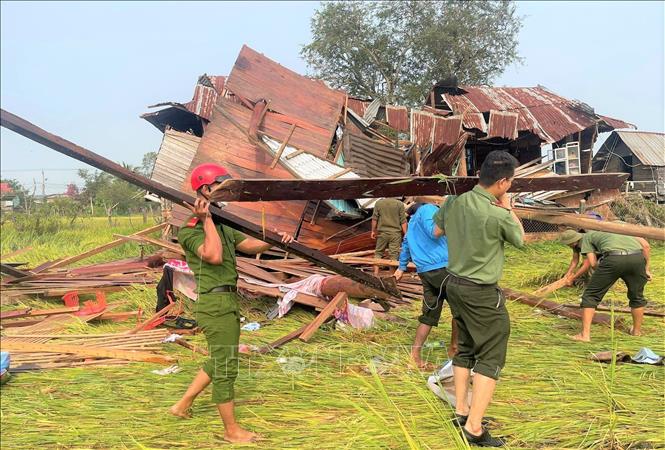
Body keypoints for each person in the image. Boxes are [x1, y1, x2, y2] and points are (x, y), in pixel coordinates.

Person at [169, 163, 294, 443]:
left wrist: (274, 241)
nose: (226, 193)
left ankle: (182, 405)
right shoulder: (190, 229)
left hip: (226, 300)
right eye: (220, 187)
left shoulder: (222, 223)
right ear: (205, 190)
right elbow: (213, 256)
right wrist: (206, 219)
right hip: (214, 303)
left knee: (220, 359)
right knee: (226, 366)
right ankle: (231, 431)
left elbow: (247, 246)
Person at [432, 150, 524, 447]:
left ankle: (461, 410)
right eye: (510, 183)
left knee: (466, 348)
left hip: (454, 284)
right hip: (481, 292)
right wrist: (508, 207)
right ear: (503, 182)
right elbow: (520, 239)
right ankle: (473, 428)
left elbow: (437, 230)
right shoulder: (497, 213)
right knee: (492, 355)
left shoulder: (453, 202)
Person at [392, 202, 458, 369]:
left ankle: (414, 356)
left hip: (426, 273)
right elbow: (434, 232)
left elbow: (405, 247)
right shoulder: (427, 209)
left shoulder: (412, 226)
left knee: (428, 314)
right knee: (461, 310)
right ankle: (454, 350)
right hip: (443, 269)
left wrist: (401, 268)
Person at [557, 229, 651, 342]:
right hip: (637, 258)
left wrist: (606, 273)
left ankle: (584, 335)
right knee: (637, 296)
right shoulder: (619, 231)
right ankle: (636, 332)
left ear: (573, 241)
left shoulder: (586, 238)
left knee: (590, 296)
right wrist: (646, 269)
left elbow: (591, 263)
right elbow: (645, 246)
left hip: (613, 259)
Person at [371, 197, 407, 276]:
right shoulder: (399, 204)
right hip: (395, 234)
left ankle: (375, 274)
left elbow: (374, 218)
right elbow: (403, 221)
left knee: (378, 253)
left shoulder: (379, 203)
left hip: (382, 233)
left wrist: (373, 231)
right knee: (393, 255)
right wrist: (406, 234)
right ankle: (392, 275)